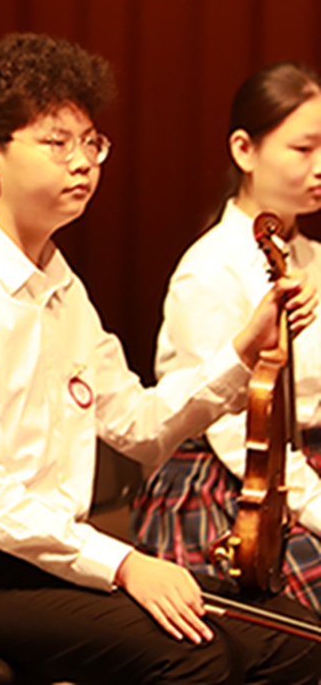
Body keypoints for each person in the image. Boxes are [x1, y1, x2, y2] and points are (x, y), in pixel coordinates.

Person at [0, 33, 319, 682]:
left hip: (39, 554)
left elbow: (140, 424)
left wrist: (243, 350)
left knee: (294, 637)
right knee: (195, 657)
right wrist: (125, 563)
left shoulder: (58, 282)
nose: (83, 162)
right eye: (57, 143)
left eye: (91, 142)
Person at [132, 62, 321, 613]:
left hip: (302, 465)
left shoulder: (312, 256)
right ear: (244, 149)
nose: (320, 166)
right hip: (232, 480)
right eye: (303, 149)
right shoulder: (210, 267)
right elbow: (235, 432)